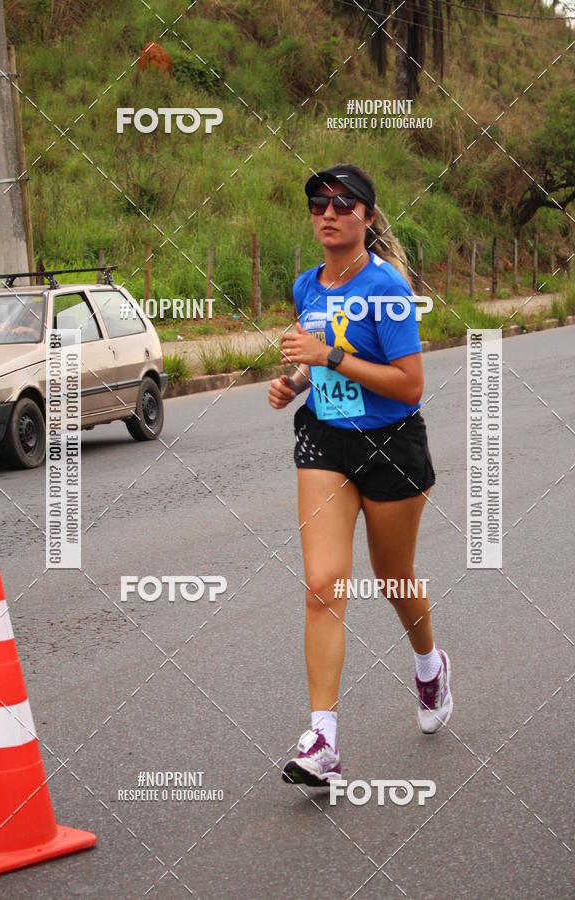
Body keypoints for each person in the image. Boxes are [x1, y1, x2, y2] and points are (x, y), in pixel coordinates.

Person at [268, 163, 452, 787]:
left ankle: (429, 666)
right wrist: (294, 382)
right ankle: (322, 741)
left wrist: (329, 356)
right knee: (322, 583)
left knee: (395, 577)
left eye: (344, 204)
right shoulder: (306, 286)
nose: (328, 212)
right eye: (318, 202)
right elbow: (317, 364)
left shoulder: (389, 288)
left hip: (393, 443)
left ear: (367, 217)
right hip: (326, 441)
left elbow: (409, 384)